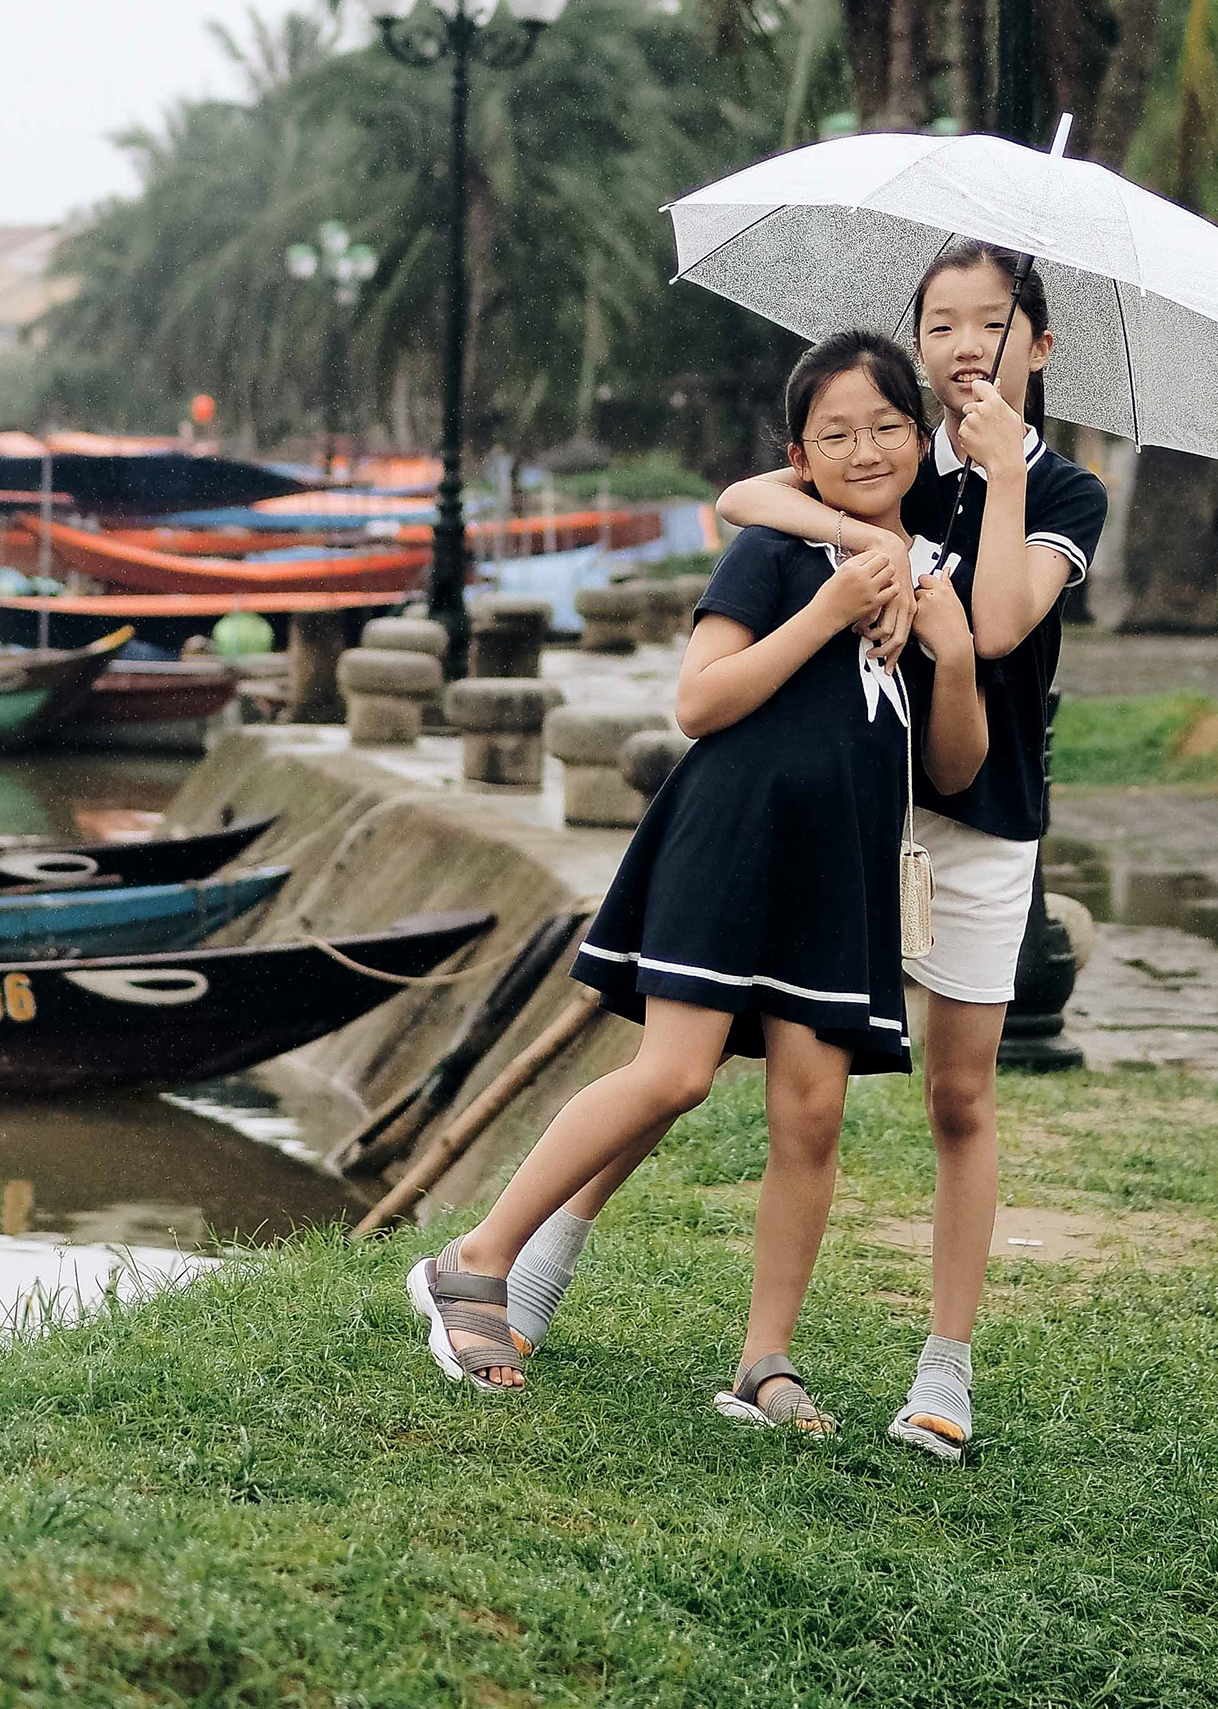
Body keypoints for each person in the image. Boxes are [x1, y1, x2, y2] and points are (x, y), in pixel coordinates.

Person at [407, 328, 986, 1432]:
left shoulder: (931, 582)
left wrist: (950, 651)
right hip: (733, 840)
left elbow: (953, 767)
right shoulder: (775, 552)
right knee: (672, 1074)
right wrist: (825, 613)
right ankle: (473, 1261)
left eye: (886, 428)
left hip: (841, 876)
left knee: (811, 1114)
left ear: (921, 438)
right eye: (835, 434)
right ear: (799, 453)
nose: (865, 450)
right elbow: (700, 704)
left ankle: (766, 1362)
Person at [714, 239, 1106, 1464]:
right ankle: (759, 1349)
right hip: (861, 804)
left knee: (958, 1093)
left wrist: (999, 484)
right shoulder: (893, 453)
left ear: (1038, 347)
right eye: (940, 323)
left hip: (985, 821)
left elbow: (992, 626)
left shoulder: (1067, 492)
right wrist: (882, 540)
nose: (964, 347)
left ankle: (946, 1370)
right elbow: (747, 501)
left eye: (992, 324)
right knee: (789, 1083)